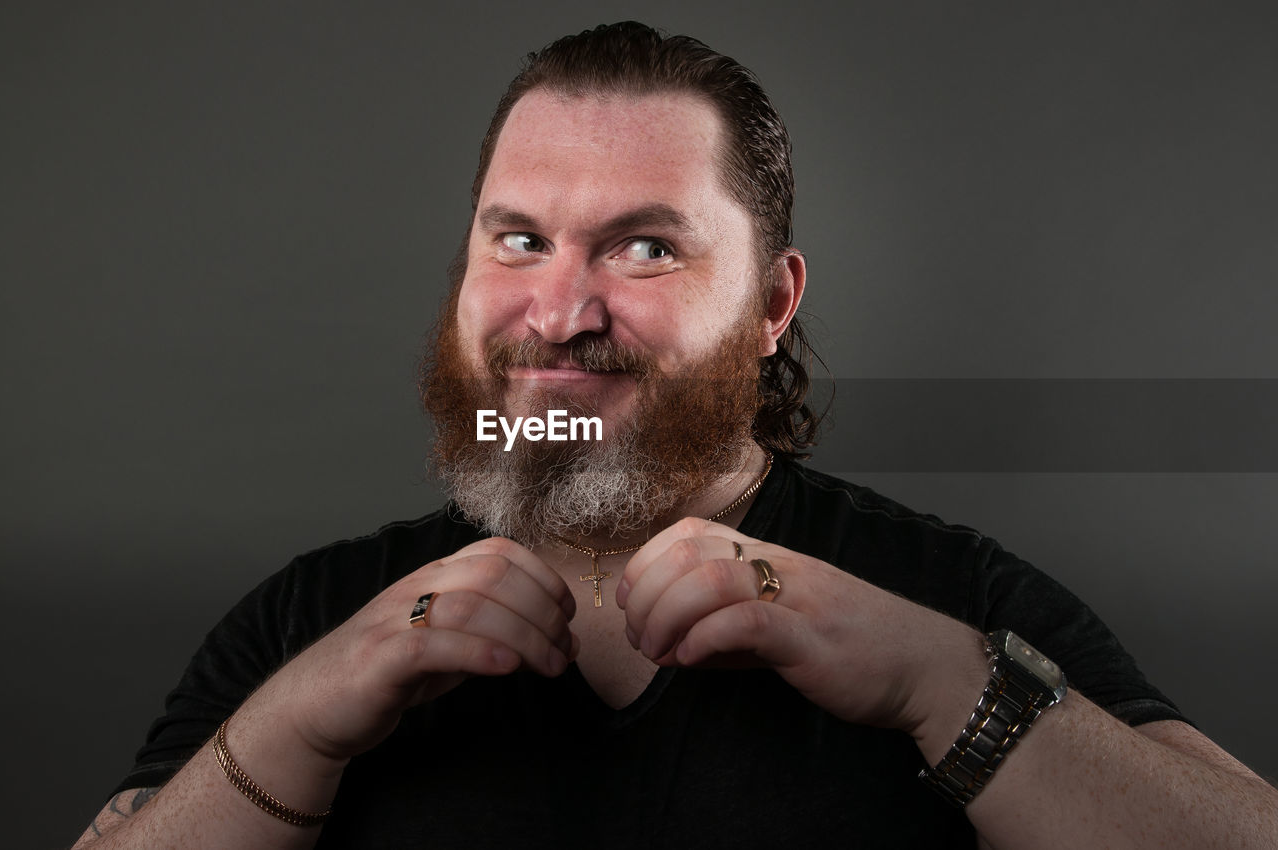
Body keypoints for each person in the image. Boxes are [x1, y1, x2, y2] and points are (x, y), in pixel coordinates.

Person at [75, 21, 1277, 850]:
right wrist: (293, 723)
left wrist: (938, 680)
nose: (559, 310)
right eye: (519, 240)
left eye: (644, 247)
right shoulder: (311, 616)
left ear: (770, 305)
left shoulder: (949, 597)